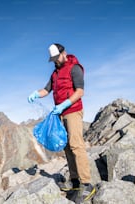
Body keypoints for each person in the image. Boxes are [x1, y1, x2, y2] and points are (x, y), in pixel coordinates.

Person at [27, 43, 96, 203]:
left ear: (63, 53)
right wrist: (36, 94)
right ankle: (75, 182)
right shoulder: (55, 74)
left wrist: (65, 103)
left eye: (57, 57)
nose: (55, 61)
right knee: (67, 146)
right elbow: (46, 90)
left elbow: (80, 91)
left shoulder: (75, 67)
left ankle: (87, 184)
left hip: (73, 111)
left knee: (76, 145)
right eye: (53, 59)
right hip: (60, 114)